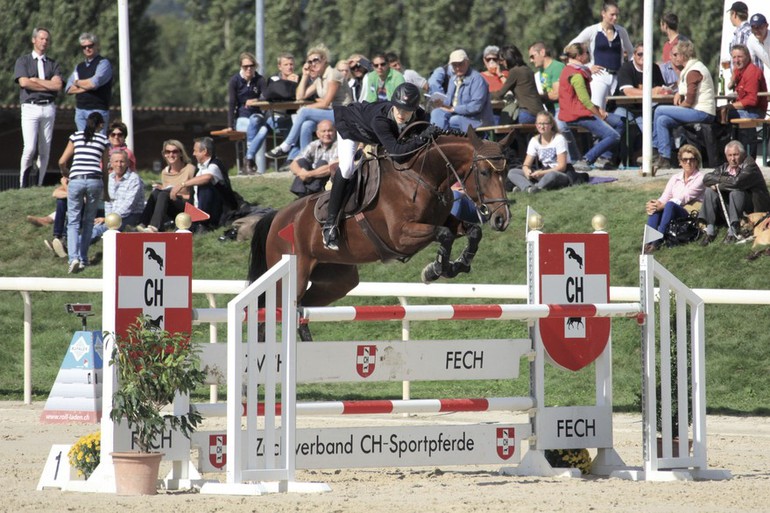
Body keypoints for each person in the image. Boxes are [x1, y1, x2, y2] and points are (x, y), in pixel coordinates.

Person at [322, 82, 432, 250]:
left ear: (415, 109)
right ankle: (329, 225)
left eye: (407, 110)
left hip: (376, 135)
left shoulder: (422, 116)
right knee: (347, 169)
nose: (401, 114)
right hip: (352, 126)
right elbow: (396, 152)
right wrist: (421, 139)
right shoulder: (380, 120)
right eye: (398, 109)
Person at [267, 45, 353, 160]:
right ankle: (306, 159)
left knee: (304, 111)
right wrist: (305, 76)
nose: (313, 64)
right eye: (310, 61)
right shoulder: (319, 79)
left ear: (324, 60)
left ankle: (286, 145)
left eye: (316, 60)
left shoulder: (333, 74)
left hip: (343, 114)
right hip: (330, 113)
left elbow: (326, 103)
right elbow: (300, 97)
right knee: (306, 125)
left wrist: (305, 109)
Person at [557, 43, 624, 171]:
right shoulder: (576, 75)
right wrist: (599, 115)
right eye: (586, 52)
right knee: (614, 136)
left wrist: (598, 109)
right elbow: (585, 101)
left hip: (580, 111)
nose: (588, 54)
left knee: (620, 122)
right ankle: (586, 159)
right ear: (579, 56)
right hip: (578, 115)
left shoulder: (570, 69)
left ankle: (603, 158)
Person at [651, 40, 716, 172]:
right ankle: (665, 157)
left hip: (702, 112)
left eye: (676, 55)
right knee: (662, 120)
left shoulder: (694, 70)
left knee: (659, 109)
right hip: (696, 110)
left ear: (683, 56)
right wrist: (678, 94)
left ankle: (654, 149)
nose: (674, 58)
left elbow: (690, 100)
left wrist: (680, 105)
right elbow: (684, 88)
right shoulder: (690, 69)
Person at [58, 112, 110, 274]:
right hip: (94, 180)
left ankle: (73, 258)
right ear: (101, 125)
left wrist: (66, 173)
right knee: (89, 221)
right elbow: (105, 169)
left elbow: (61, 161)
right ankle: (84, 258)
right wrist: (106, 192)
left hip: (77, 179)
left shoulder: (76, 136)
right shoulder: (103, 140)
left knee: (73, 220)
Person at [14, 27, 63, 188]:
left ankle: (39, 183)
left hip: (48, 107)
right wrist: (45, 84)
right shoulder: (23, 61)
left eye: (47, 39)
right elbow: (24, 82)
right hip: (30, 107)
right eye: (41, 38)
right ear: (34, 40)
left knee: (45, 149)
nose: (44, 42)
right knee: (29, 148)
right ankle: (23, 183)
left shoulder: (53, 63)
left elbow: (57, 86)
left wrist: (36, 81)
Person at [698, 140, 770, 245]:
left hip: (753, 211)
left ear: (742, 154)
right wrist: (723, 180)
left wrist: (718, 185)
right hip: (734, 207)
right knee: (709, 191)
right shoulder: (724, 167)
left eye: (736, 155)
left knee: (736, 192)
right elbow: (706, 178)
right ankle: (710, 230)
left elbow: (737, 183)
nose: (732, 159)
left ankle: (733, 231)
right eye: (729, 155)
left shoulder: (750, 166)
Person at [569, 0, 633, 110]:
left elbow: (631, 52)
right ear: (603, 13)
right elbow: (571, 47)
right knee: (597, 110)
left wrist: (631, 70)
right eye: (612, 15)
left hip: (618, 76)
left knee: (617, 111)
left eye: (617, 15)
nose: (615, 18)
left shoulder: (621, 31)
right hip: (599, 76)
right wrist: (588, 66)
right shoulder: (593, 30)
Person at [643, 144, 705, 254]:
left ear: (697, 161)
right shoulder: (675, 178)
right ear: (680, 162)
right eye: (685, 160)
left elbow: (685, 197)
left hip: (690, 214)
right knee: (655, 207)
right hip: (673, 210)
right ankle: (648, 242)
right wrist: (655, 204)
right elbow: (664, 197)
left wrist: (662, 205)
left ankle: (657, 241)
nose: (688, 162)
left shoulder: (700, 178)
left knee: (669, 204)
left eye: (692, 159)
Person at [170, 137, 236, 232]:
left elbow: (207, 178)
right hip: (194, 213)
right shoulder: (199, 169)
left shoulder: (215, 165)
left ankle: (204, 224)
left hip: (214, 214)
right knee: (162, 195)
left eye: (195, 151)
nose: (193, 154)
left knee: (204, 184)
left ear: (204, 151)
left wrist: (182, 184)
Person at [507, 111, 573, 194]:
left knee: (552, 175)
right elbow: (526, 164)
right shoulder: (534, 140)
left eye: (545, 124)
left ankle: (533, 187)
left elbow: (562, 167)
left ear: (551, 125)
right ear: (536, 125)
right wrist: (527, 170)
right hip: (543, 172)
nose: (542, 126)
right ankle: (529, 188)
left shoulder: (559, 139)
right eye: (539, 123)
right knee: (512, 172)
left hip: (560, 173)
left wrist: (541, 173)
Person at [137, 140, 195, 232]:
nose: (171, 155)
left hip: (185, 206)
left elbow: (194, 195)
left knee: (164, 194)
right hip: (170, 207)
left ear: (181, 153)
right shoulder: (165, 172)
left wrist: (176, 194)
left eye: (174, 151)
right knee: (156, 193)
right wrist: (164, 190)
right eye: (167, 152)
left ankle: (154, 227)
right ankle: (143, 223)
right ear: (164, 154)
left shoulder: (190, 169)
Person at [429, 49, 494, 131]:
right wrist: (441, 104)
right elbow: (449, 102)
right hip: (457, 115)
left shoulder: (477, 79)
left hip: (477, 120)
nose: (457, 68)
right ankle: (436, 140)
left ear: (467, 62)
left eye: (460, 64)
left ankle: (442, 140)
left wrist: (453, 109)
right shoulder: (453, 79)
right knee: (436, 112)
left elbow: (476, 106)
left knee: (454, 120)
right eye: (454, 65)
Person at [91, 150, 145, 241]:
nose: (119, 165)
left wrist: (108, 220)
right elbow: (108, 202)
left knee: (100, 229)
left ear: (127, 163)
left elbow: (129, 205)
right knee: (95, 227)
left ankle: (75, 247)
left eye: (122, 161)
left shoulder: (134, 179)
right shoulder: (109, 178)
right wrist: (108, 218)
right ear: (111, 164)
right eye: (116, 161)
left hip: (131, 216)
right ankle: (78, 248)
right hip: (113, 217)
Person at [64, 32, 113, 134]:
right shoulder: (79, 67)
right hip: (80, 111)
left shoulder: (103, 63)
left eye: (90, 46)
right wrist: (86, 86)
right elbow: (68, 88)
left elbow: (94, 83)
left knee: (98, 143)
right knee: (83, 143)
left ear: (96, 46)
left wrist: (77, 82)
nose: (87, 49)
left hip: (98, 110)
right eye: (84, 47)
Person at [228, 52, 266, 175]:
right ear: (241, 67)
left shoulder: (260, 80)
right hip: (242, 117)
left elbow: (267, 97)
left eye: (251, 65)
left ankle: (248, 160)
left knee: (255, 121)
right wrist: (230, 125)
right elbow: (232, 104)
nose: (249, 68)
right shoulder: (235, 81)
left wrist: (255, 101)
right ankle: (250, 161)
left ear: (255, 66)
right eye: (245, 66)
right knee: (261, 130)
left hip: (257, 116)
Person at [492, 45, 544, 124]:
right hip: (540, 113)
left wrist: (484, 95)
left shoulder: (515, 71)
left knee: (496, 119)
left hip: (527, 114)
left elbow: (500, 94)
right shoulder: (527, 69)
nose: (501, 63)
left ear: (508, 58)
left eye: (502, 60)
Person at [289, 119, 338, 198]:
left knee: (322, 163)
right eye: (323, 131)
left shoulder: (338, 145)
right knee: (301, 162)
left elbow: (330, 168)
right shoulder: (313, 144)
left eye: (330, 131)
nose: (327, 134)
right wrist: (302, 173)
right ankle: (301, 193)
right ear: (318, 134)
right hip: (311, 178)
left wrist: (308, 174)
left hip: (327, 180)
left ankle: (310, 193)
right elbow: (293, 164)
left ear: (335, 132)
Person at [724, 44, 768, 120]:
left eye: (740, 57)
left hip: (755, 112)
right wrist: (733, 79)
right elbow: (729, 86)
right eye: (734, 57)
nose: (736, 60)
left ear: (748, 57)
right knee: (718, 113)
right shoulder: (739, 70)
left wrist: (729, 106)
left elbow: (751, 101)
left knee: (721, 114)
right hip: (745, 109)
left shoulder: (752, 72)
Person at [659, 13, 688, 86]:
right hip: (667, 82)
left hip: (680, 82)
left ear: (665, 25)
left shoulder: (682, 42)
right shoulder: (666, 44)